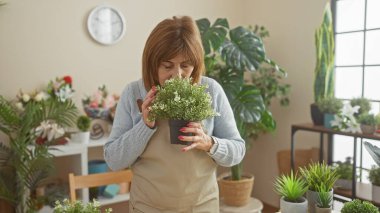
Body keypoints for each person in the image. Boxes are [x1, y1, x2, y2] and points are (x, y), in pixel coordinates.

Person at [104, 16, 245, 213]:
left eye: (185, 65)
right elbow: (113, 160)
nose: (177, 75)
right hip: (147, 207)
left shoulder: (211, 90)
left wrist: (210, 143)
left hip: (201, 206)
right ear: (152, 64)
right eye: (167, 66)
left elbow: (237, 151)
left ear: (196, 64)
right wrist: (145, 126)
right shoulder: (134, 93)